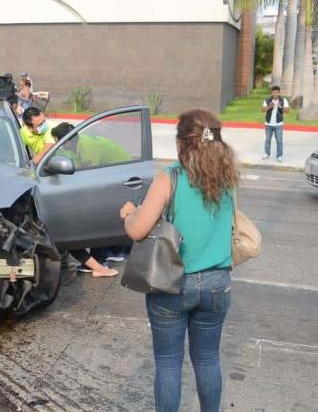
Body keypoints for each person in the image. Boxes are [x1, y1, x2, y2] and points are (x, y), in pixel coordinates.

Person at [120, 109, 239, 412]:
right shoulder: (228, 178)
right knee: (208, 359)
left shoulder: (170, 177)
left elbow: (138, 230)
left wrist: (128, 213)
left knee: (169, 364)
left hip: (172, 282)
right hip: (217, 283)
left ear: (181, 143)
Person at [49, 122, 120, 277]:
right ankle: (106, 256)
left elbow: (90, 176)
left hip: (119, 175)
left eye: (58, 141)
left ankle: (100, 261)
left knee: (96, 215)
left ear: (66, 140)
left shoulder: (89, 148)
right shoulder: (75, 145)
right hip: (108, 175)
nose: (57, 145)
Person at [261, 85, 289, 163]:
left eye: (277, 92)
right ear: (271, 93)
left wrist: (281, 107)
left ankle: (279, 156)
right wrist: (269, 106)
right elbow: (262, 110)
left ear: (279, 93)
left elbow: (287, 111)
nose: (275, 94)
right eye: (273, 92)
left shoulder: (283, 100)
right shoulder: (267, 100)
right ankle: (267, 153)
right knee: (267, 140)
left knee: (279, 141)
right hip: (268, 124)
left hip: (278, 124)